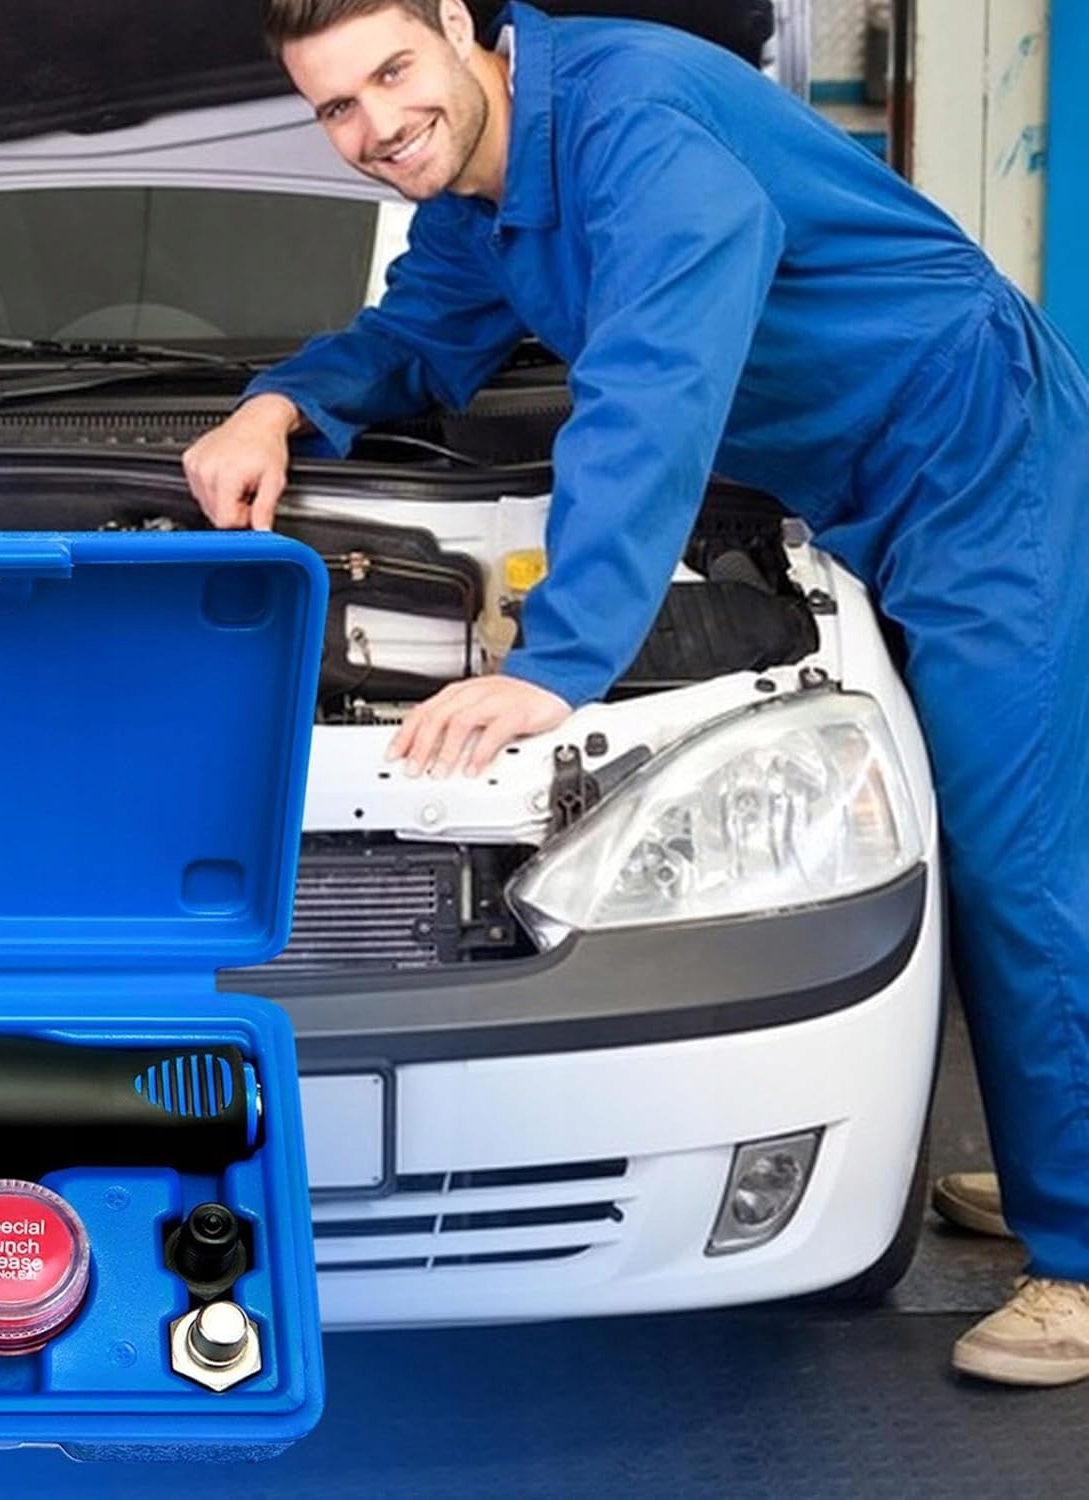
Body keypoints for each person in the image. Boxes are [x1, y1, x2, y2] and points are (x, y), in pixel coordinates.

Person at [181, 0, 1089, 1385]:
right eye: (337, 108)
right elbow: (417, 336)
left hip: (974, 460)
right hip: (844, 480)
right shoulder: (483, 197)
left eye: (393, 73)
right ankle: (1054, 1159)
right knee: (972, 831)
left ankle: (1076, 1252)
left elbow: (650, 387)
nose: (376, 128)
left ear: (459, 24)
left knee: (1016, 849)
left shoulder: (635, 120)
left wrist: (556, 661)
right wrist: (278, 406)